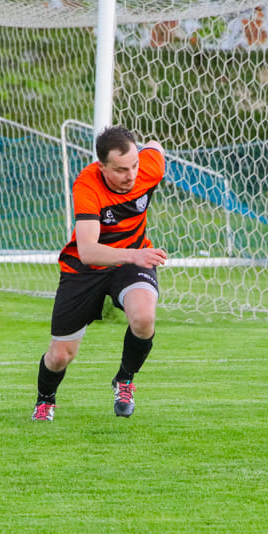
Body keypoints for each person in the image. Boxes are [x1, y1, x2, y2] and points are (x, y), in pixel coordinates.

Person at [31, 126, 167, 422]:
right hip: (85, 269)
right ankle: (45, 400)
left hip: (131, 263)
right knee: (60, 356)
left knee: (144, 318)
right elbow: (88, 251)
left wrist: (135, 256)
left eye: (134, 165)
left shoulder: (149, 168)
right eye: (120, 170)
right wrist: (136, 254)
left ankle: (125, 380)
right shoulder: (87, 185)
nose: (131, 175)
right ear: (101, 166)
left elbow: (156, 147)